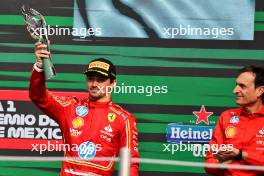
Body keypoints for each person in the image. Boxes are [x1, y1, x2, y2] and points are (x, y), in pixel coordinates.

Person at [29, 42, 139, 176]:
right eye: (90, 79)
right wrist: (40, 66)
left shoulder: (124, 119)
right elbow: (38, 96)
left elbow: (130, 164)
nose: (94, 84)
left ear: (113, 83)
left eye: (100, 80)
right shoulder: (69, 107)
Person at [205, 66, 264, 176]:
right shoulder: (226, 116)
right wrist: (222, 165)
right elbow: (209, 164)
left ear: (259, 91)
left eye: (242, 86)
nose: (235, 90)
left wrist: (241, 155)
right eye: (236, 85)